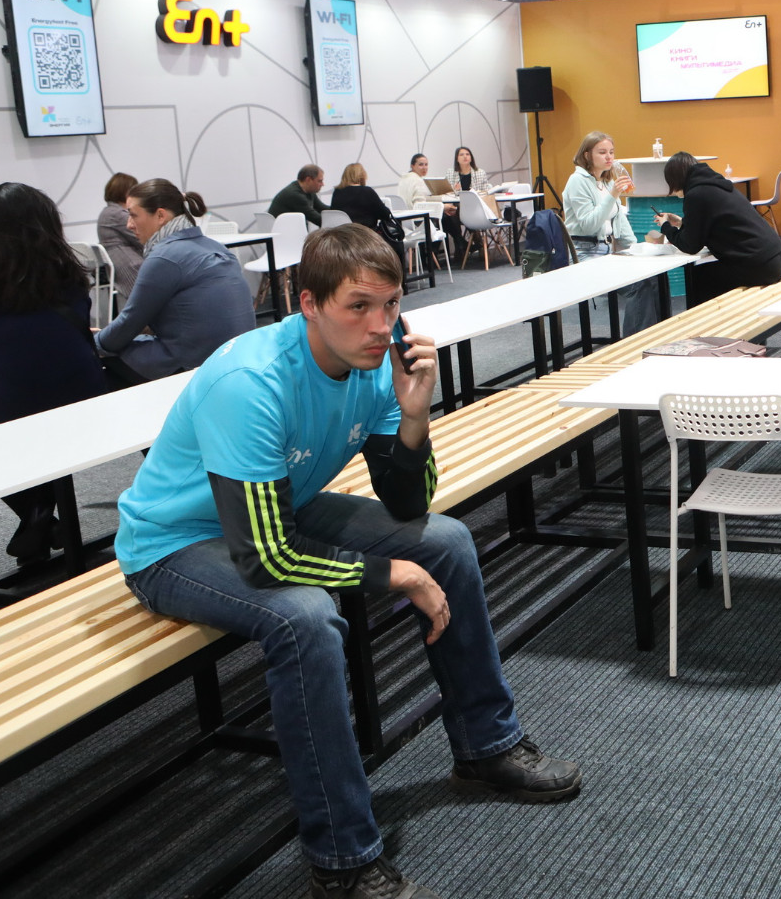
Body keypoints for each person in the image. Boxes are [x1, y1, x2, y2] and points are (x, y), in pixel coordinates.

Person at [115, 225, 579, 899]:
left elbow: (408, 504)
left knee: (446, 541)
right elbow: (266, 558)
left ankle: (488, 746)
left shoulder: (379, 364)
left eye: (390, 305)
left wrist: (414, 417)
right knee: (305, 617)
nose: (380, 326)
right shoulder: (250, 383)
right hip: (173, 545)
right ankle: (343, 859)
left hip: (284, 506)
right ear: (308, 303)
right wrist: (393, 574)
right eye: (358, 306)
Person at [0, 183, 106, 565]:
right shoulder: (71, 275)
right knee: (42, 418)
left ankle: (38, 515)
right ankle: (40, 522)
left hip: (13, 404)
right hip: (89, 398)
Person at [95, 179, 255, 385]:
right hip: (238, 358)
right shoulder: (216, 247)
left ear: (160, 216)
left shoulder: (164, 257)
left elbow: (129, 322)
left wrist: (92, 341)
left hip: (196, 366)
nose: (129, 224)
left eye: (133, 215)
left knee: (102, 360)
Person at [649, 152, 781, 305]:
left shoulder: (695, 195)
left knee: (697, 277)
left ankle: (703, 319)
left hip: (760, 265)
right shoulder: (717, 185)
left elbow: (690, 245)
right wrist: (682, 223)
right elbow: (714, 224)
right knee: (708, 274)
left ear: (676, 179)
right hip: (776, 258)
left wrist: (666, 227)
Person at [563, 131, 658, 334]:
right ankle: (634, 342)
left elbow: (620, 221)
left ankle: (653, 336)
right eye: (602, 152)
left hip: (608, 252)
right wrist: (614, 194)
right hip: (584, 254)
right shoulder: (577, 181)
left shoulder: (606, 182)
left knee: (653, 276)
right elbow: (589, 225)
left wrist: (637, 249)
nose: (609, 157)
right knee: (638, 285)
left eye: (611, 152)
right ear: (587, 155)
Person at [331, 164, 406, 267]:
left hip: (343, 237)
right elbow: (384, 214)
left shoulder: (337, 192)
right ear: (362, 175)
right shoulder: (366, 191)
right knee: (397, 244)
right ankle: (398, 274)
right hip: (366, 236)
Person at [96, 171, 145, 300]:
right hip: (133, 270)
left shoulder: (108, 212)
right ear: (127, 192)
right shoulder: (118, 214)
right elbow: (145, 238)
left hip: (123, 268)